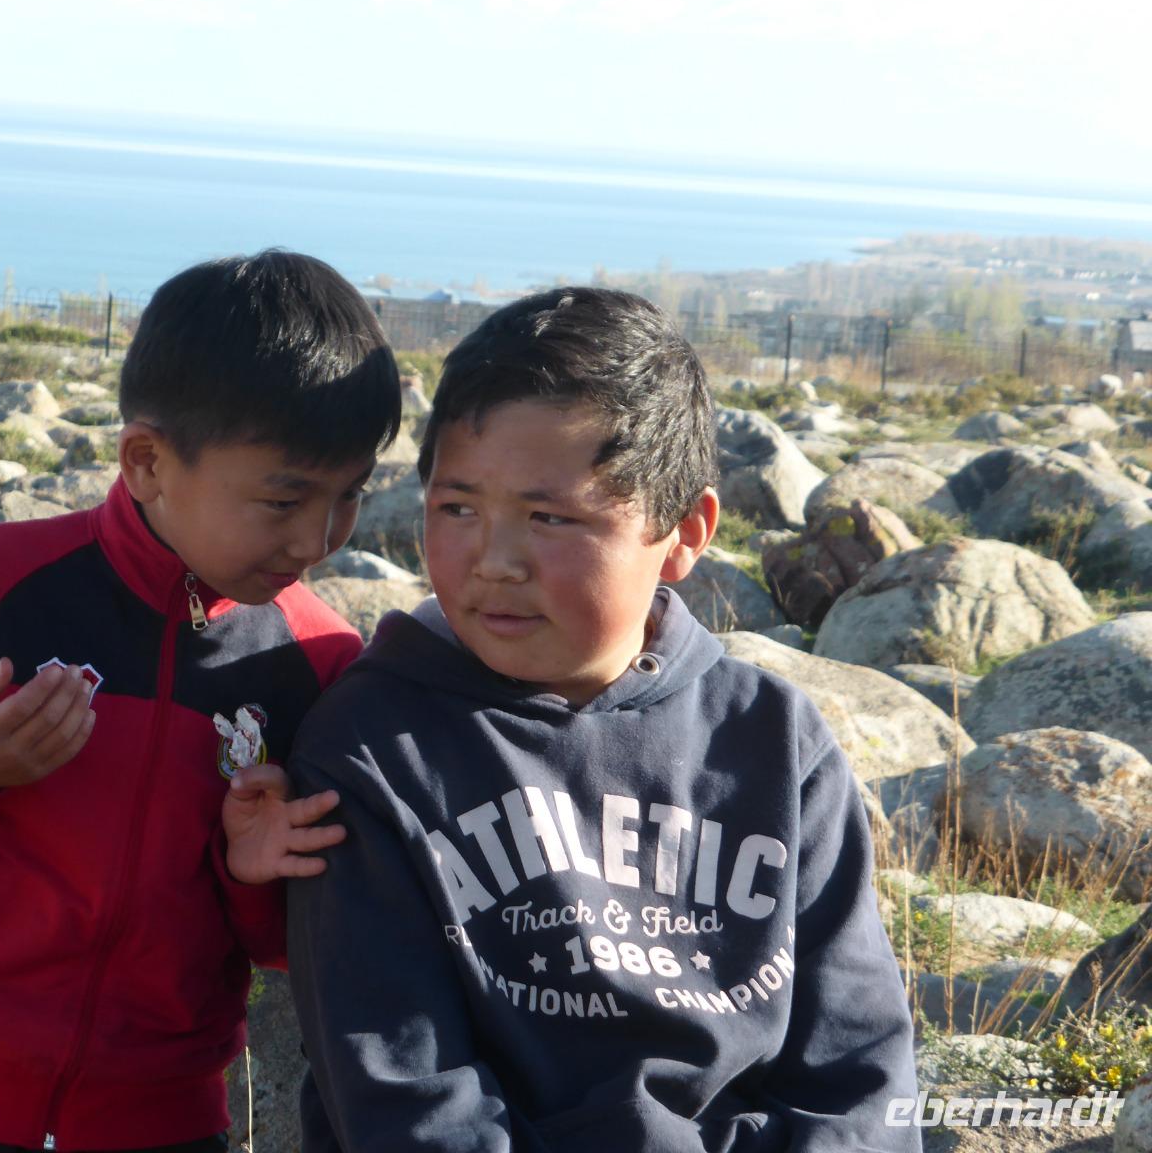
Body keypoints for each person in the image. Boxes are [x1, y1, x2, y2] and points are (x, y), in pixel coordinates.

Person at [0, 250, 403, 1153]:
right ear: (147, 461)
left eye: (349, 496)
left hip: (162, 1119)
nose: (318, 538)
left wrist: (250, 870)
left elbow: (281, 946)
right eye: (282, 499)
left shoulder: (315, 660)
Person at [286, 287, 919, 1152]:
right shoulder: (371, 749)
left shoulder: (776, 742)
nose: (494, 562)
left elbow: (860, 1074)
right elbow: (405, 1102)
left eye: (550, 518)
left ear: (685, 531)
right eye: (457, 508)